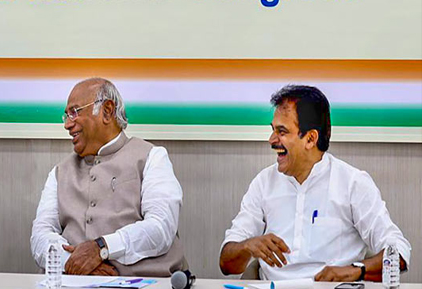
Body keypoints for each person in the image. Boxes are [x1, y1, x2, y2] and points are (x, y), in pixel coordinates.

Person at [219, 85, 411, 281]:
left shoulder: (352, 183)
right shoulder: (263, 182)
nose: (271, 140)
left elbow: (399, 252)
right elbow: (226, 264)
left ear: (310, 139)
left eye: (282, 132)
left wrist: (356, 270)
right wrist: (246, 246)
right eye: (272, 130)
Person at [31, 78, 185, 277]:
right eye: (66, 116)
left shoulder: (152, 157)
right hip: (73, 282)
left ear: (107, 111)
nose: (67, 125)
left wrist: (102, 248)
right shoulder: (59, 172)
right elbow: (40, 234)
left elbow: (161, 227)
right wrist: (72, 262)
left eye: (74, 112)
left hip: (143, 282)